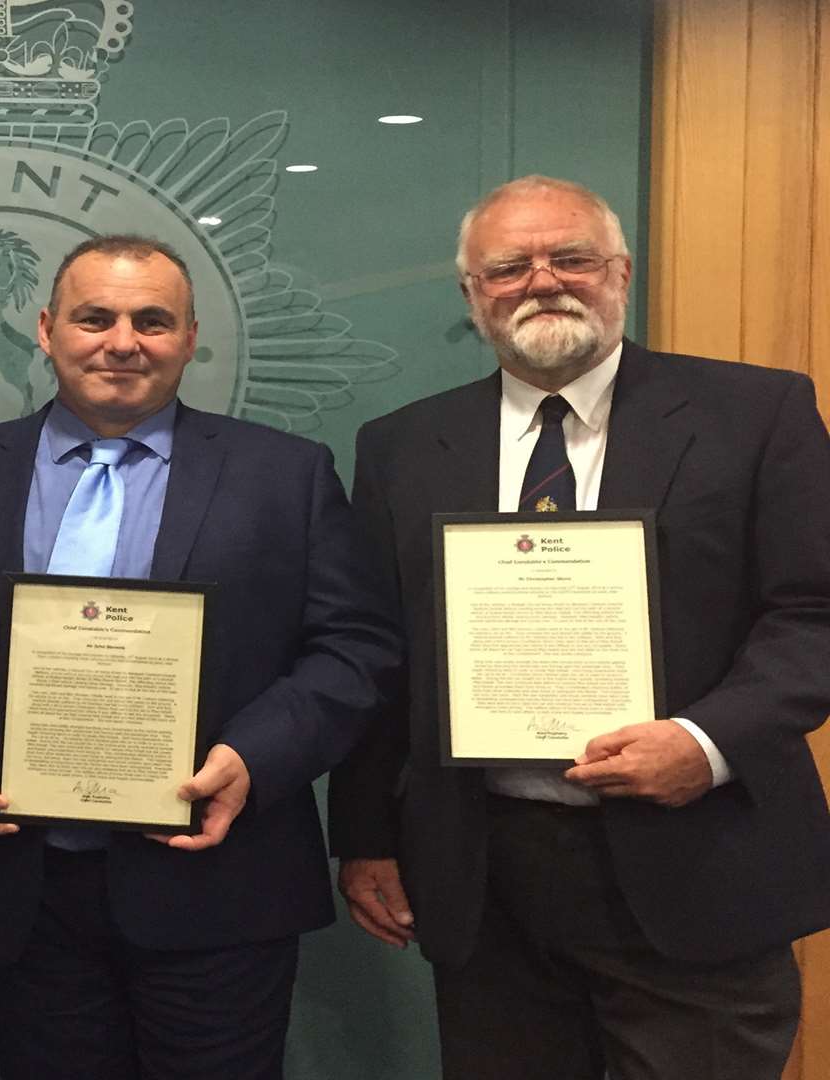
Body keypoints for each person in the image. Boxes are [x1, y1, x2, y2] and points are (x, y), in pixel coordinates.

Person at [330, 175, 830, 1079]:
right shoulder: (401, 445)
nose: (542, 281)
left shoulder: (757, 414)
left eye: (572, 258)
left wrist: (703, 740)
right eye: (509, 265)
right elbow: (384, 650)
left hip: (699, 859)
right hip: (487, 877)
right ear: (472, 294)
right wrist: (367, 834)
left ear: (621, 273)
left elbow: (814, 612)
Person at [0, 235, 401, 1079]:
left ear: (190, 336)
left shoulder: (286, 474)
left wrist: (254, 758)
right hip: (20, 883)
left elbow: (354, 647)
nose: (122, 341)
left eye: (153, 320)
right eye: (95, 317)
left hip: (218, 877)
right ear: (45, 327)